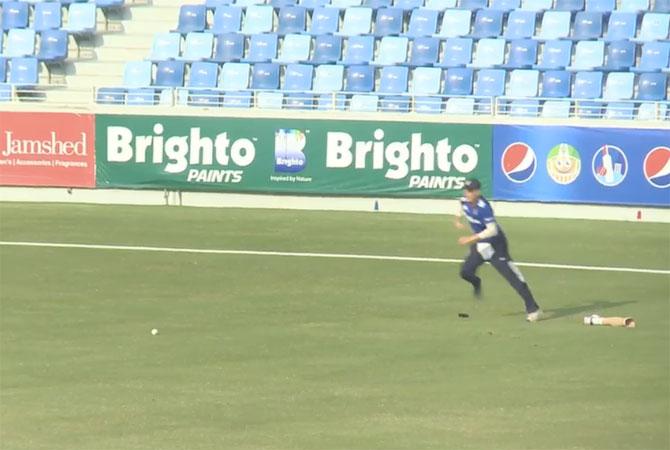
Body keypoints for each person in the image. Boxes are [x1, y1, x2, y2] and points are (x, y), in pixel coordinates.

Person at [453, 179, 543, 322]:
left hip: (495, 245)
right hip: (480, 244)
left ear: (477, 192)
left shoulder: (484, 207)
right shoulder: (464, 200)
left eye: (470, 191)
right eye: (466, 190)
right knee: (465, 271)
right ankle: (476, 282)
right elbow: (460, 208)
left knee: (512, 277)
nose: (467, 193)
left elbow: (492, 230)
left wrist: (470, 239)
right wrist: (457, 220)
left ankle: (533, 309)